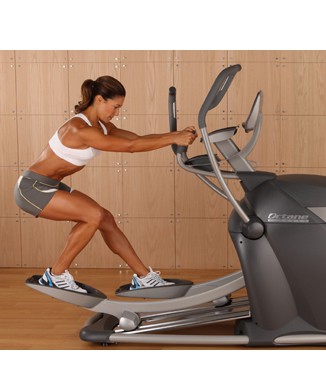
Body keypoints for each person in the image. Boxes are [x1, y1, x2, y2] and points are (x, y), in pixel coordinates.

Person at [14, 75, 197, 293]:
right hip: (31, 189)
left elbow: (135, 139)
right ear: (99, 99)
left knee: (105, 218)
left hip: (49, 185)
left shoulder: (101, 125)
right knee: (93, 216)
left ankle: (144, 278)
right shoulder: (80, 129)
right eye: (115, 107)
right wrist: (174, 138)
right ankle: (55, 275)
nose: (116, 113)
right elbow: (130, 147)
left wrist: (174, 135)